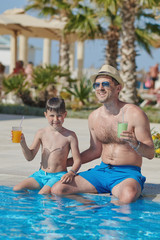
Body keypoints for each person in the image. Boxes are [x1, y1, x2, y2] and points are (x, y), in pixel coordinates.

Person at [51, 65, 155, 204]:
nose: (100, 88)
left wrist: (135, 144)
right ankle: (94, 208)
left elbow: (150, 153)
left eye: (106, 84)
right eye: (97, 84)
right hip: (102, 171)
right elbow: (95, 150)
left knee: (128, 195)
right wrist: (66, 162)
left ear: (118, 88)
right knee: (58, 189)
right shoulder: (94, 117)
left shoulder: (135, 114)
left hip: (126, 173)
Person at [13, 97, 81, 194]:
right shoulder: (41, 133)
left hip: (58, 176)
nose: (55, 119)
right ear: (45, 115)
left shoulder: (70, 136)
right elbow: (29, 157)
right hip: (40, 175)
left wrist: (71, 173)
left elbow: (77, 160)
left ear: (65, 114)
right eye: (52, 116)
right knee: (17, 189)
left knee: (42, 194)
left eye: (59, 115)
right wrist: (22, 143)